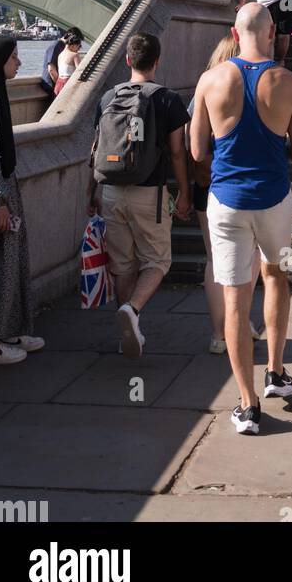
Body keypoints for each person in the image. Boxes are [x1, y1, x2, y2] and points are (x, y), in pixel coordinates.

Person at [192, 4, 292, 434]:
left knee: (235, 300)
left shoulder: (211, 80)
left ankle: (247, 404)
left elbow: (196, 151)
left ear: (234, 32)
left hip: (225, 202)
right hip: (275, 200)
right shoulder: (290, 82)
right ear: (273, 33)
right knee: (277, 276)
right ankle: (276, 372)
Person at [90, 33, 191, 360]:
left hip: (110, 190)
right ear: (157, 61)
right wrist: (184, 194)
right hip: (149, 192)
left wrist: (92, 192)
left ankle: (126, 334)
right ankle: (132, 310)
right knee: (158, 261)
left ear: (128, 60)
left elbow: (95, 152)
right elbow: (178, 154)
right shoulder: (168, 100)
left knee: (123, 266)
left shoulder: (108, 98)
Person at [187, 33, 263, 354]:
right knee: (250, 256)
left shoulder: (205, 88)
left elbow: (193, 145)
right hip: (246, 184)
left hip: (209, 184)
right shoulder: (253, 87)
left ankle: (220, 333)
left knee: (214, 258)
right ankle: (240, 322)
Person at [0, 38, 44, 365]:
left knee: (8, 263)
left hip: (1, 190)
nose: (19, 64)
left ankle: (5, 330)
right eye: (14, 58)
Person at [41, 25, 81, 103]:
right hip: (51, 84)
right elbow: (51, 69)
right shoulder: (56, 46)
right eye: (78, 45)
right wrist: (61, 84)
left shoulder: (62, 50)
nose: (78, 48)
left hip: (57, 84)